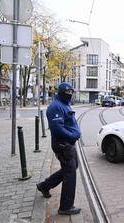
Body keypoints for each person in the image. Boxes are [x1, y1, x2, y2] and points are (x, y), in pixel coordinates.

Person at [36, 82, 81, 215]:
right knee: (70, 173)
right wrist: (74, 134)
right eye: (67, 92)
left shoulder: (64, 103)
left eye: (72, 92)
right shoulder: (55, 107)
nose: (70, 94)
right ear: (61, 92)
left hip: (67, 144)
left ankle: (45, 186)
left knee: (71, 168)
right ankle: (66, 207)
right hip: (63, 145)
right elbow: (57, 129)